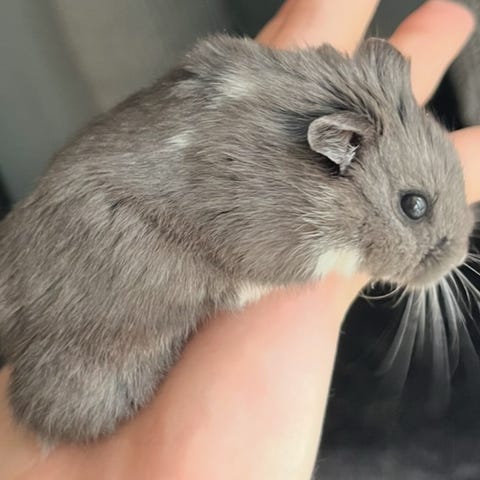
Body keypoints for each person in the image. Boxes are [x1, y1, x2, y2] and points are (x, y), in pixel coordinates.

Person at [1, 0, 479, 478]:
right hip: (78, 343)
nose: (452, 251)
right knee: (87, 400)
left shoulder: (268, 102)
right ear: (340, 147)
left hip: (69, 229)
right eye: (413, 207)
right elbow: (243, 253)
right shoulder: (274, 212)